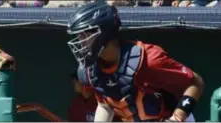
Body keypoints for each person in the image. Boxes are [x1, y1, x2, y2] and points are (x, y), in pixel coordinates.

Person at [66, 1, 205, 122]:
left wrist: (177, 118)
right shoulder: (92, 70)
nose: (81, 42)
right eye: (79, 35)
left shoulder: (149, 59)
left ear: (104, 32)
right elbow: (105, 106)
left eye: (85, 34)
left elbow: (195, 83)